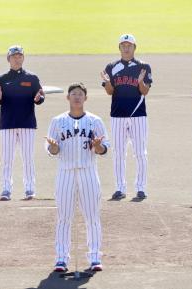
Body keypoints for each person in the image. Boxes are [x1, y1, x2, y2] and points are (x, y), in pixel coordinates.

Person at [46, 82, 109, 272]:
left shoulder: (95, 121)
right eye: (73, 93)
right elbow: (51, 149)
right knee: (64, 217)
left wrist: (98, 146)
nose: (77, 97)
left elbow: (105, 149)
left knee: (92, 216)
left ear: (85, 98)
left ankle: (95, 257)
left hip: (88, 172)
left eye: (80, 94)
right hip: (65, 173)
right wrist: (54, 147)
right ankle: (61, 258)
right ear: (68, 98)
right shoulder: (57, 121)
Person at [100, 33, 152, 200]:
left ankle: (141, 188)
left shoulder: (143, 67)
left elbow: (145, 91)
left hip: (138, 115)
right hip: (117, 115)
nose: (126, 47)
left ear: (134, 47)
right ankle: (120, 188)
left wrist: (140, 82)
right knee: (118, 152)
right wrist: (108, 82)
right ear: (120, 48)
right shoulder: (112, 67)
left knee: (140, 152)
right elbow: (109, 92)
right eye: (123, 45)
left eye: (129, 45)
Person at [0, 45, 45, 201]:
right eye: (14, 56)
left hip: (27, 123)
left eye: (20, 56)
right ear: (8, 59)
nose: (17, 58)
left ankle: (30, 189)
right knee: (7, 158)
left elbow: (40, 97)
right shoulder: (1, 78)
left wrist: (38, 99)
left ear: (23, 58)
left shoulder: (32, 78)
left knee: (28, 158)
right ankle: (6, 189)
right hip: (7, 124)